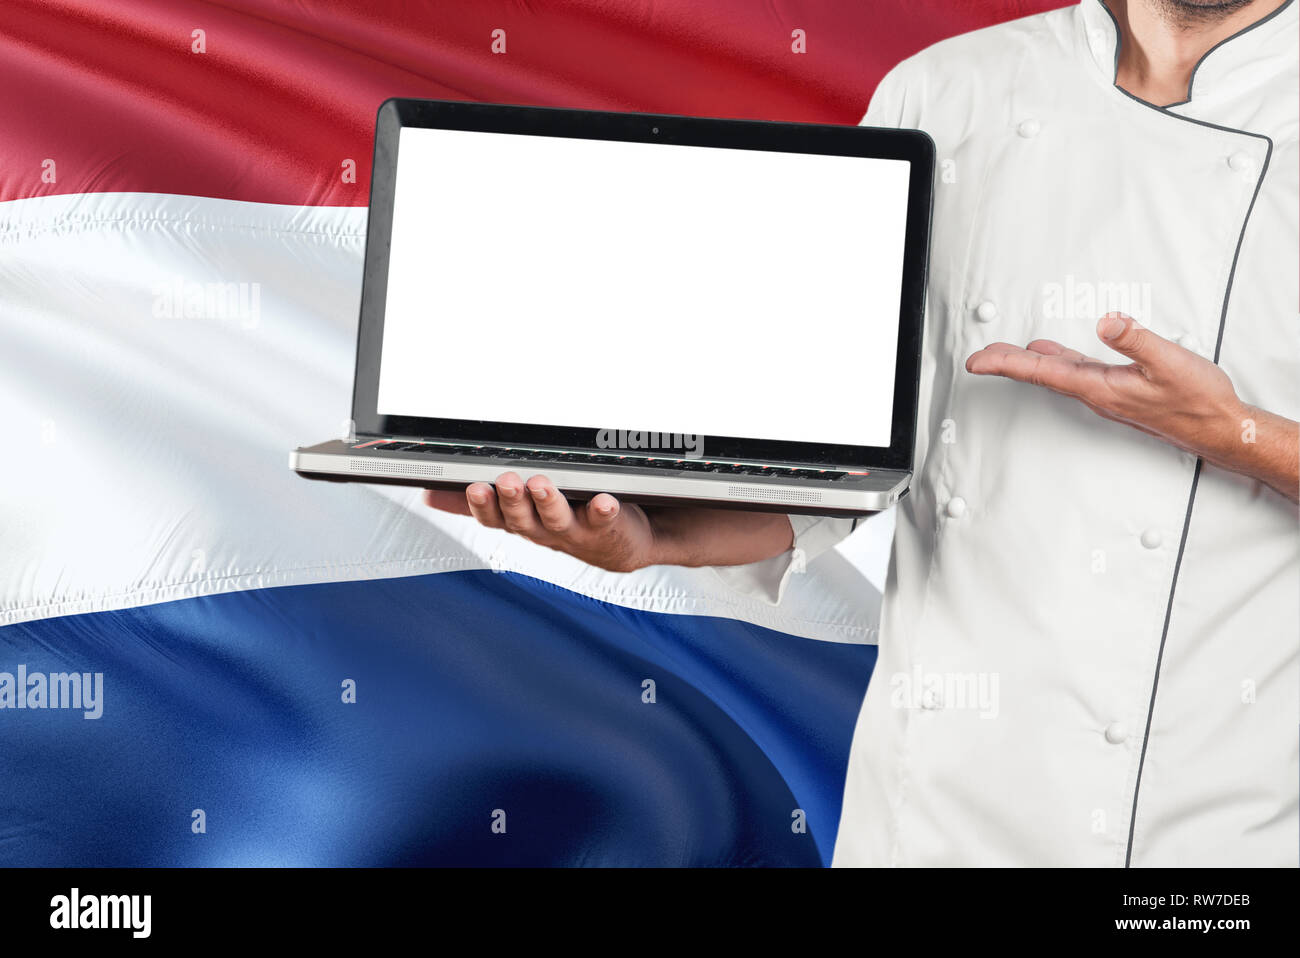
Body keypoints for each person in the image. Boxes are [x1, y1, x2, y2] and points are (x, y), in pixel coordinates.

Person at [426, 0, 1299, 866]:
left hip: (1217, 831)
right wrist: (660, 537)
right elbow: (855, 457)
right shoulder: (947, 91)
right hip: (936, 817)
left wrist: (1237, 434)